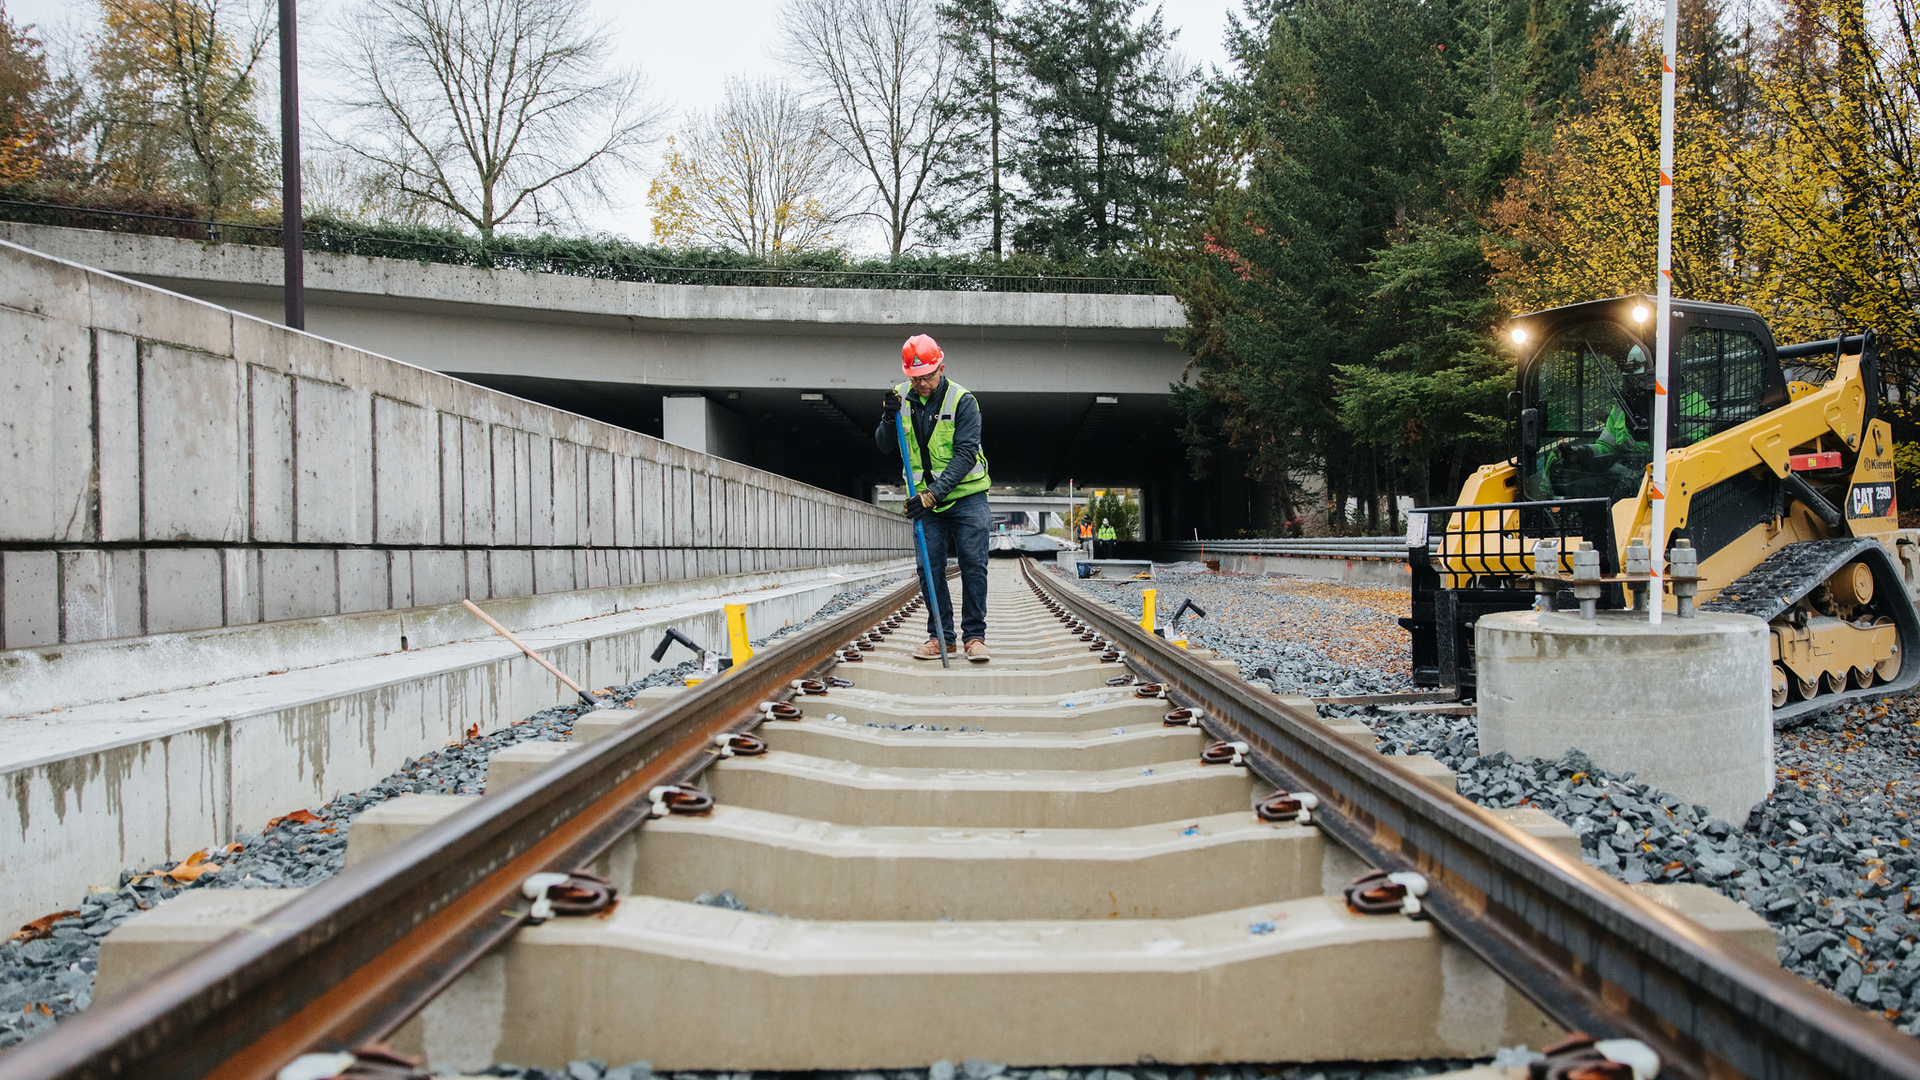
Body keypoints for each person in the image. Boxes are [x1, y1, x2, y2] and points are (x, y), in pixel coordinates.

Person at [878, 333, 993, 663]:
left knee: (973, 565)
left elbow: (966, 453)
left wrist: (933, 495)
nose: (922, 383)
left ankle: (974, 637)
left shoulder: (962, 401)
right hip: (924, 500)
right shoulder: (901, 397)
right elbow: (885, 445)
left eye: (928, 376)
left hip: (967, 497)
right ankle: (942, 636)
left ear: (941, 367)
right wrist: (888, 419)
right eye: (915, 377)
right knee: (929, 569)